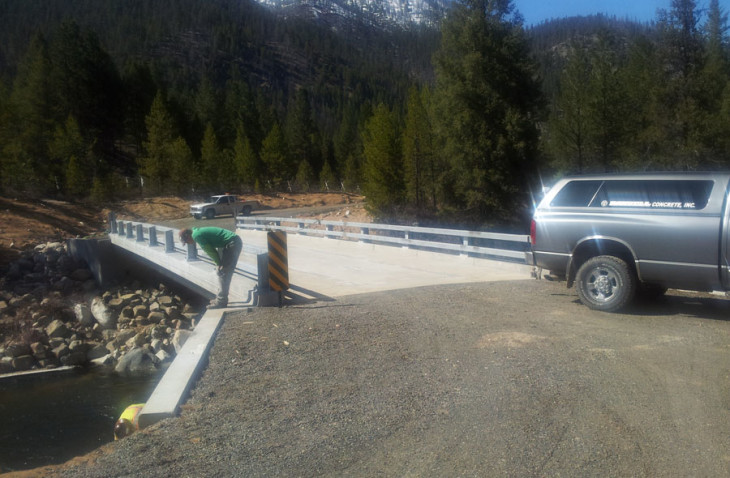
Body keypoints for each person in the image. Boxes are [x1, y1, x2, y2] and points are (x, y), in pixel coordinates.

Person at [179, 227, 243, 308]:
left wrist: (218, 264)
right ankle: (220, 299)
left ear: (187, 236)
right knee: (222, 272)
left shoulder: (196, 236)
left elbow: (210, 251)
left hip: (232, 243)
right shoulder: (197, 232)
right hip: (232, 242)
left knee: (223, 272)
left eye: (186, 241)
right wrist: (218, 263)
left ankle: (221, 302)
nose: (188, 243)